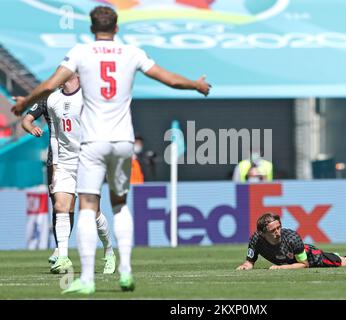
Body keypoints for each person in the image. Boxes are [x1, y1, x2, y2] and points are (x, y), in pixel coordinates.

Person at [11, 6, 210, 294]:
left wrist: (25, 101)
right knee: (119, 205)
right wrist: (196, 85)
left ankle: (88, 279)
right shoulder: (131, 52)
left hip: (93, 141)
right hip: (123, 140)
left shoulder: (81, 52)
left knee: (89, 206)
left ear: (92, 28)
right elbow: (168, 78)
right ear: (117, 28)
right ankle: (126, 272)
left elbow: (50, 84)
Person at [44, 73, 116, 275]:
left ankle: (109, 251)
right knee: (60, 206)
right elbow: (55, 135)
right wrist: (56, 164)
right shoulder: (53, 99)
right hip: (65, 164)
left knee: (92, 212)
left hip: (88, 162)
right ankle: (63, 258)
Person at [236, 213, 346, 270]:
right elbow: (250, 262)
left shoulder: (292, 238)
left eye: (279, 227)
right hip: (292, 261)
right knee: (340, 260)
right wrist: (245, 266)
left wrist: (284, 267)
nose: (278, 232)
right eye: (273, 230)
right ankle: (332, 256)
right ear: (262, 233)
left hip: (310, 257)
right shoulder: (255, 239)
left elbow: (304, 265)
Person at [21, 98, 62, 265]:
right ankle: (60, 250)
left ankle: (108, 250)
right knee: (59, 205)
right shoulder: (49, 100)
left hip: (83, 157)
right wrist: (31, 128)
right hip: (56, 160)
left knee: (92, 208)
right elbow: (26, 120)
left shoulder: (83, 96)